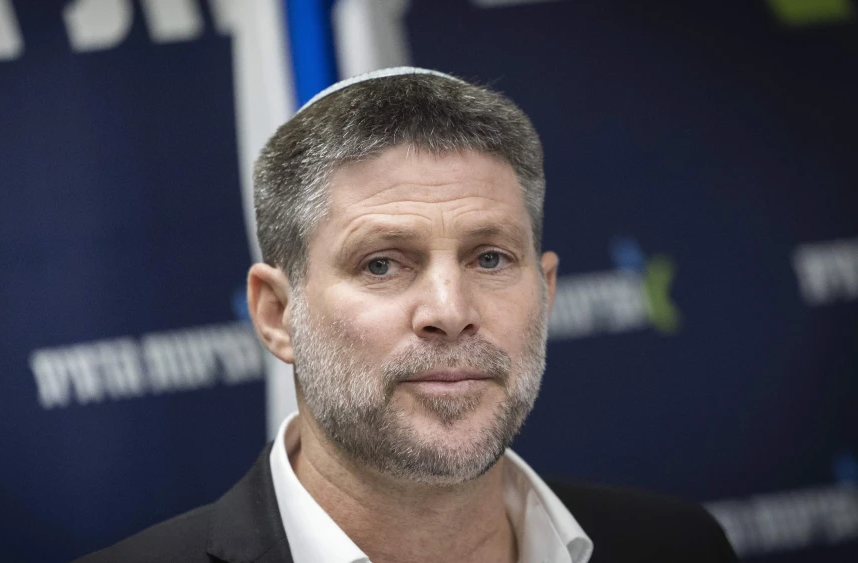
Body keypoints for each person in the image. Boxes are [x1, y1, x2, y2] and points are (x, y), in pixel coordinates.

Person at [75, 67, 737, 563]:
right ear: (278, 314)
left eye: (489, 258)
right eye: (382, 264)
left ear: (547, 289)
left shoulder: (677, 546)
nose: (450, 312)